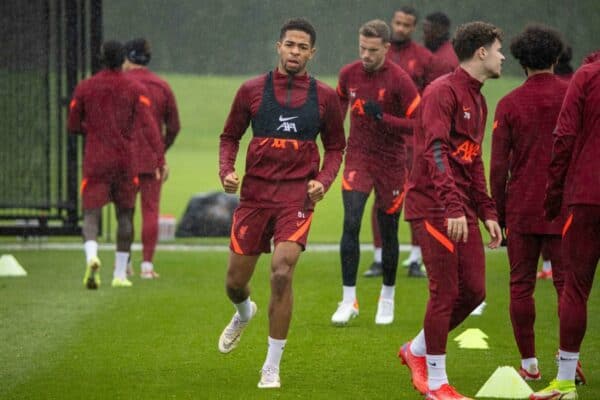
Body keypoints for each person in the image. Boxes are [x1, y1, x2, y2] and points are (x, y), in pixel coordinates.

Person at [217, 18, 345, 389]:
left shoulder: (325, 97)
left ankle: (271, 366)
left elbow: (336, 146)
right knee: (234, 284)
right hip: (255, 197)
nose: (295, 52)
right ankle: (244, 312)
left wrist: (323, 181)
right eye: (290, 45)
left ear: (312, 53)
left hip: (296, 199)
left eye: (302, 47)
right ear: (279, 46)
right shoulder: (251, 90)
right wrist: (227, 171)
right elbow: (229, 136)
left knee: (282, 271)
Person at [399, 22, 503, 399]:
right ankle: (437, 384)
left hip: (459, 207)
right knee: (444, 292)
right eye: (498, 49)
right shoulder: (441, 92)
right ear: (481, 53)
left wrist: (488, 211)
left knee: (473, 292)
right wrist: (453, 205)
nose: (502, 56)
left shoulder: (479, 97)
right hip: (434, 206)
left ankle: (415, 350)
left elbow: (472, 161)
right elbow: (436, 151)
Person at [490, 24, 568, 382]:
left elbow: (498, 166)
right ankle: (570, 362)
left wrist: (497, 214)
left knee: (521, 285)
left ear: (520, 61)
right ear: (556, 57)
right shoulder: (572, 96)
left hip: (521, 206)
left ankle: (531, 365)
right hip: (565, 207)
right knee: (569, 287)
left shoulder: (509, 104)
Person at [331, 20, 420, 326]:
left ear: (386, 48)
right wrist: (333, 138)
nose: (366, 55)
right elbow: (337, 107)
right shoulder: (348, 74)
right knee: (351, 220)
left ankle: (387, 296)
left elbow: (418, 124)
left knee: (389, 229)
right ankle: (348, 299)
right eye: (362, 49)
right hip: (358, 158)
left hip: (391, 164)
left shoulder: (400, 80)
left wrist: (383, 118)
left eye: (372, 50)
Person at [531, 41, 600, 400]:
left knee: (575, 288)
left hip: (587, 196)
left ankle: (564, 381)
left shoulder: (586, 76)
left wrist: (553, 195)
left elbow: (565, 137)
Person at [68, 40, 165, 289]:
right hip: (125, 161)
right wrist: (160, 157)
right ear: (123, 60)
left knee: (91, 214)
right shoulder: (133, 88)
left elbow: (72, 125)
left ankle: (92, 257)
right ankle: (120, 274)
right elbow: (149, 126)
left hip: (96, 160)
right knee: (125, 215)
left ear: (101, 58)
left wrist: (93, 130)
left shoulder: (85, 87)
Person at [364, 5, 437, 279]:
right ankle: (379, 259)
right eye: (398, 22)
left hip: (412, 139)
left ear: (414, 27)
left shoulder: (424, 58)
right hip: (381, 141)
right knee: (380, 198)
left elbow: (431, 97)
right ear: (392, 22)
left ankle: (416, 259)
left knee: (415, 196)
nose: (401, 28)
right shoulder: (379, 52)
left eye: (407, 24)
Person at [123, 37, 181, 279]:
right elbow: (174, 126)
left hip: (123, 159)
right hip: (151, 160)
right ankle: (147, 266)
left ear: (128, 58)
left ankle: (123, 263)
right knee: (150, 211)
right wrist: (161, 153)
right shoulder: (161, 86)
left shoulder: (121, 84)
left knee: (125, 212)